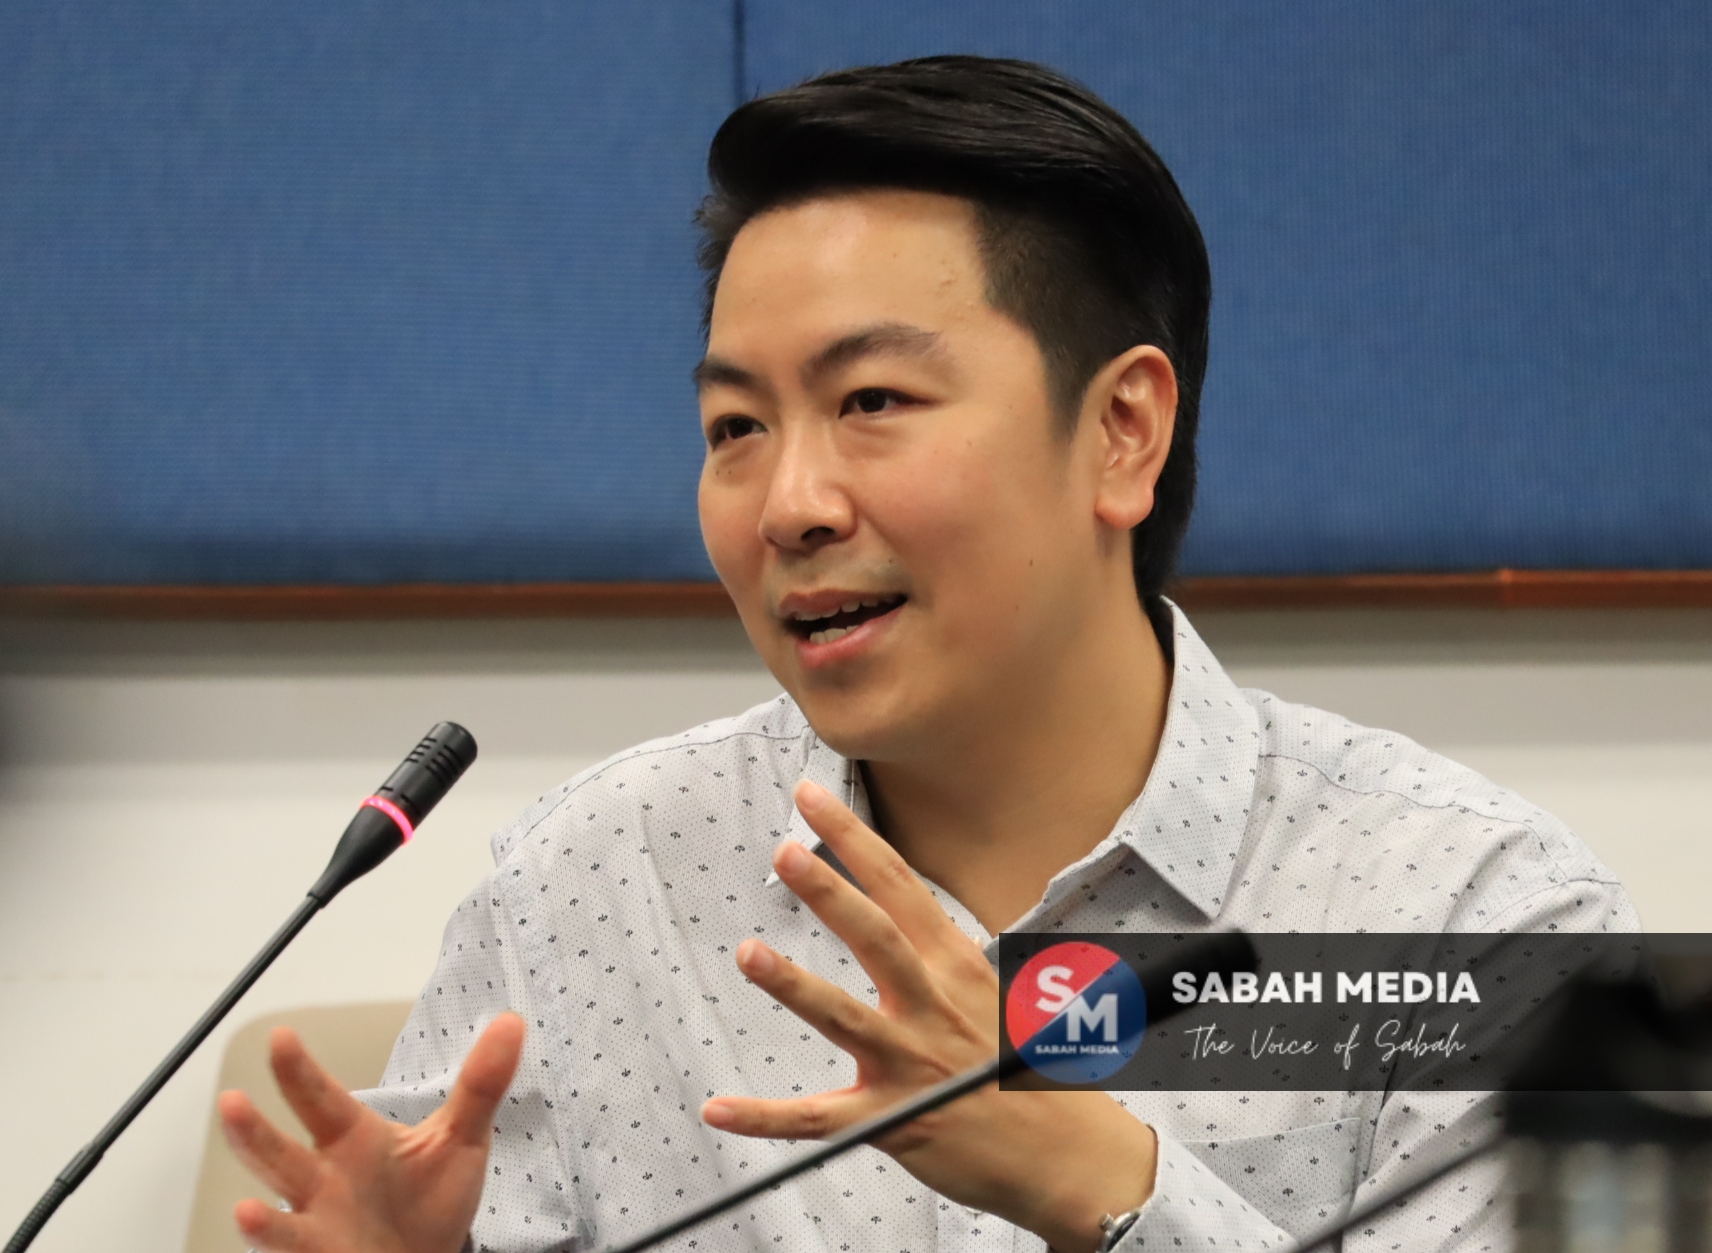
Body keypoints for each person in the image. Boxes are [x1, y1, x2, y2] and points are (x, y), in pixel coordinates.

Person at [217, 56, 1638, 1253]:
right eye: (735, 427)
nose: (791, 504)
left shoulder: (1479, 925)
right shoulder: (590, 888)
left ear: (1122, 431)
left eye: (873, 400)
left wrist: (1109, 1189)